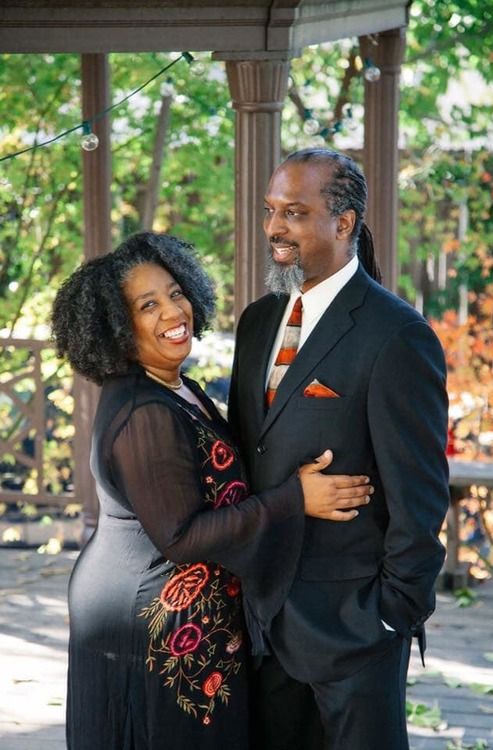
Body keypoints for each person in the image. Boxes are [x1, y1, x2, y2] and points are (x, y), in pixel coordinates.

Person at [51, 231, 372, 750]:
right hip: (148, 623)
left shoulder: (176, 387)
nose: (172, 311)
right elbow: (181, 537)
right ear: (116, 326)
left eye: (176, 293)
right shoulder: (144, 412)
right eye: (147, 305)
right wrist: (296, 499)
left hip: (187, 618)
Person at [228, 148, 450, 750]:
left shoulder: (397, 334)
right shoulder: (257, 322)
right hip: (262, 624)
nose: (275, 227)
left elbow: (420, 496)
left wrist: (390, 615)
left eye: (295, 213)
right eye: (271, 210)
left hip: (355, 630)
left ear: (343, 223)